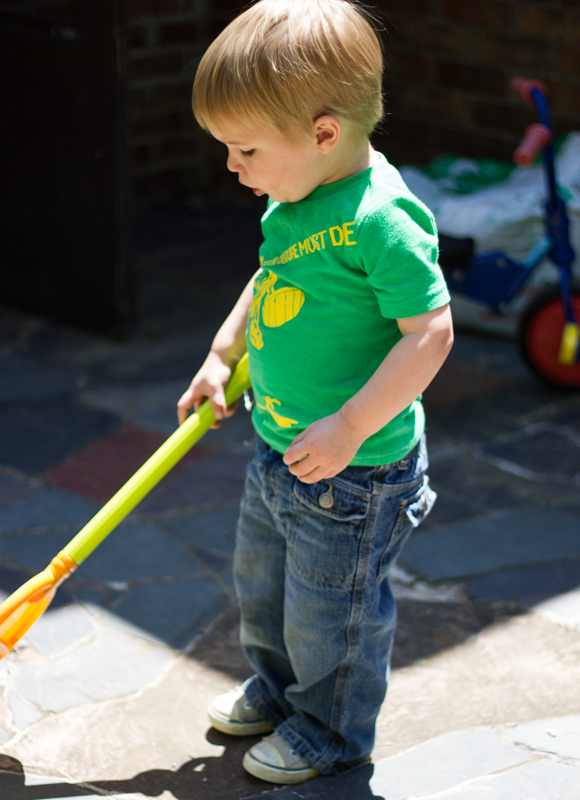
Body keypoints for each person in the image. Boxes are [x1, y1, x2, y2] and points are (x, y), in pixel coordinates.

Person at [177, 0, 453, 786]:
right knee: (262, 588)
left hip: (354, 473)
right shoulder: (294, 199)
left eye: (245, 149)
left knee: (334, 617)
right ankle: (276, 691)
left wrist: (350, 427)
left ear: (324, 133)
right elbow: (271, 281)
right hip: (282, 446)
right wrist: (219, 354)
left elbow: (428, 334)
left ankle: (329, 730)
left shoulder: (382, 218)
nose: (233, 166)